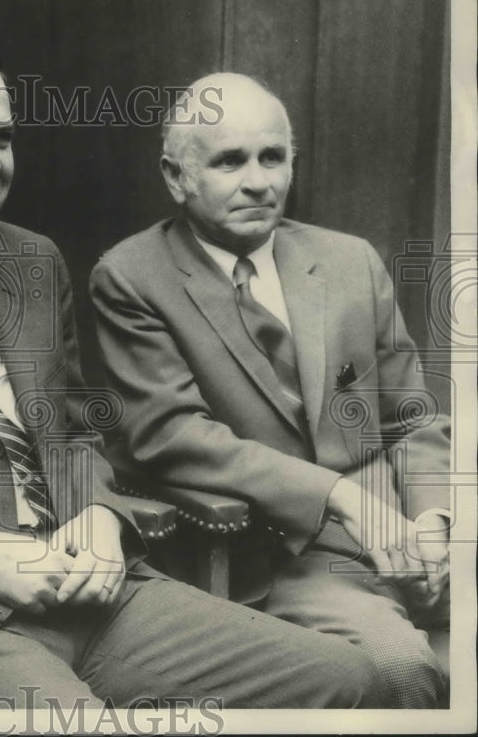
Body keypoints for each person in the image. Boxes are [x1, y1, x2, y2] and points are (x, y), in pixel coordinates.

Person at [0, 25, 387, 709]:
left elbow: (73, 438)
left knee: (351, 681)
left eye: (1, 138)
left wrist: (98, 516)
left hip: (98, 592)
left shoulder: (32, 260)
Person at [90, 72, 451, 708]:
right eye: (230, 161)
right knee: (402, 673)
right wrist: (336, 496)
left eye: (273, 157)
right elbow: (171, 436)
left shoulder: (349, 260)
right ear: (177, 177)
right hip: (285, 553)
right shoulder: (131, 278)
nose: (259, 181)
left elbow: (412, 418)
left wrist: (433, 522)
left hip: (405, 529)